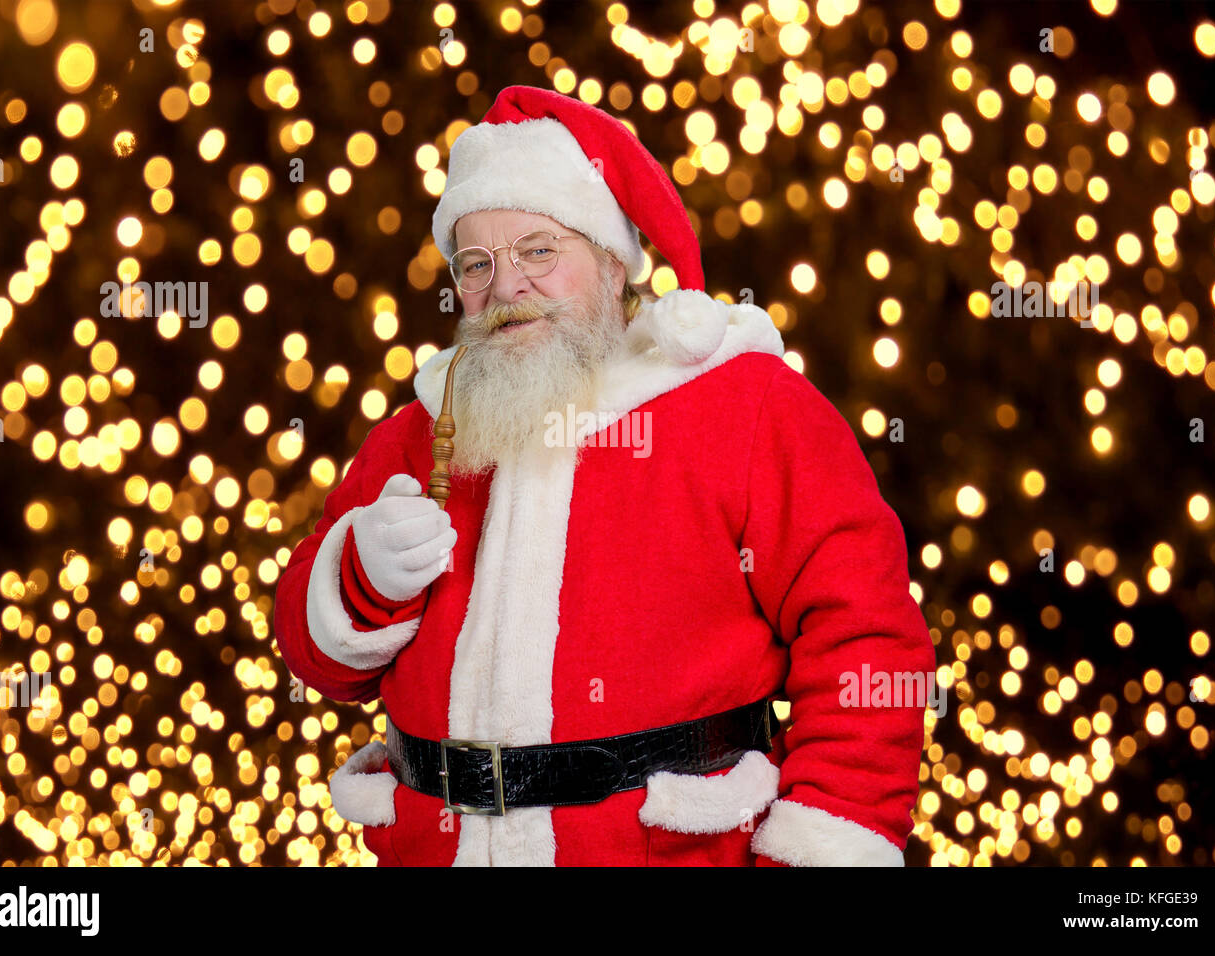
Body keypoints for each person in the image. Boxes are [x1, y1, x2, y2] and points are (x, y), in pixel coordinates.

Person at [273, 85, 935, 866]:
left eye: (539, 251)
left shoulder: (745, 407)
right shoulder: (420, 433)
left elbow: (866, 636)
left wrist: (821, 849)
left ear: (614, 263)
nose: (506, 287)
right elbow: (312, 655)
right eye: (476, 263)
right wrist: (357, 577)